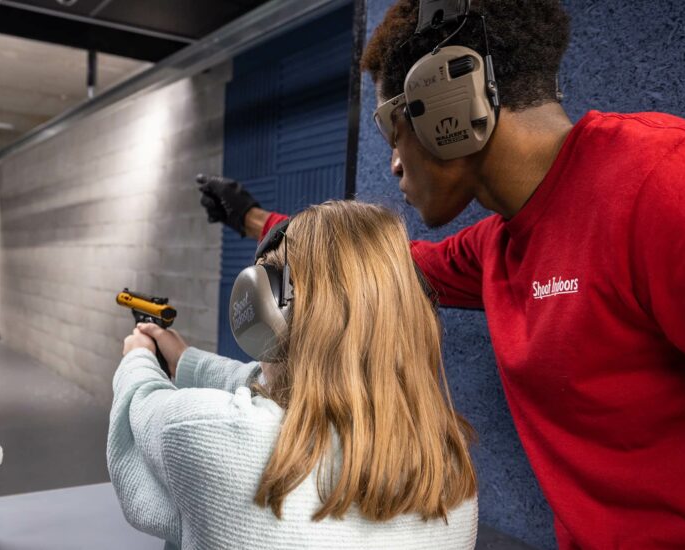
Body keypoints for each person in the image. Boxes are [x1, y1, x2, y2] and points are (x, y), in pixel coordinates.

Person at [197, 0, 685, 547]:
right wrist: (253, 219)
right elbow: (375, 264)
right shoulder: (499, 245)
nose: (394, 162)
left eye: (392, 129)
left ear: (444, 102)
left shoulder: (670, 182)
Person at [108, 201, 479, 550]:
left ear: (269, 320)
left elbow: (140, 405)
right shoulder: (451, 466)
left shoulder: (206, 431)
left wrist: (138, 357)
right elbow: (274, 388)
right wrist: (185, 360)